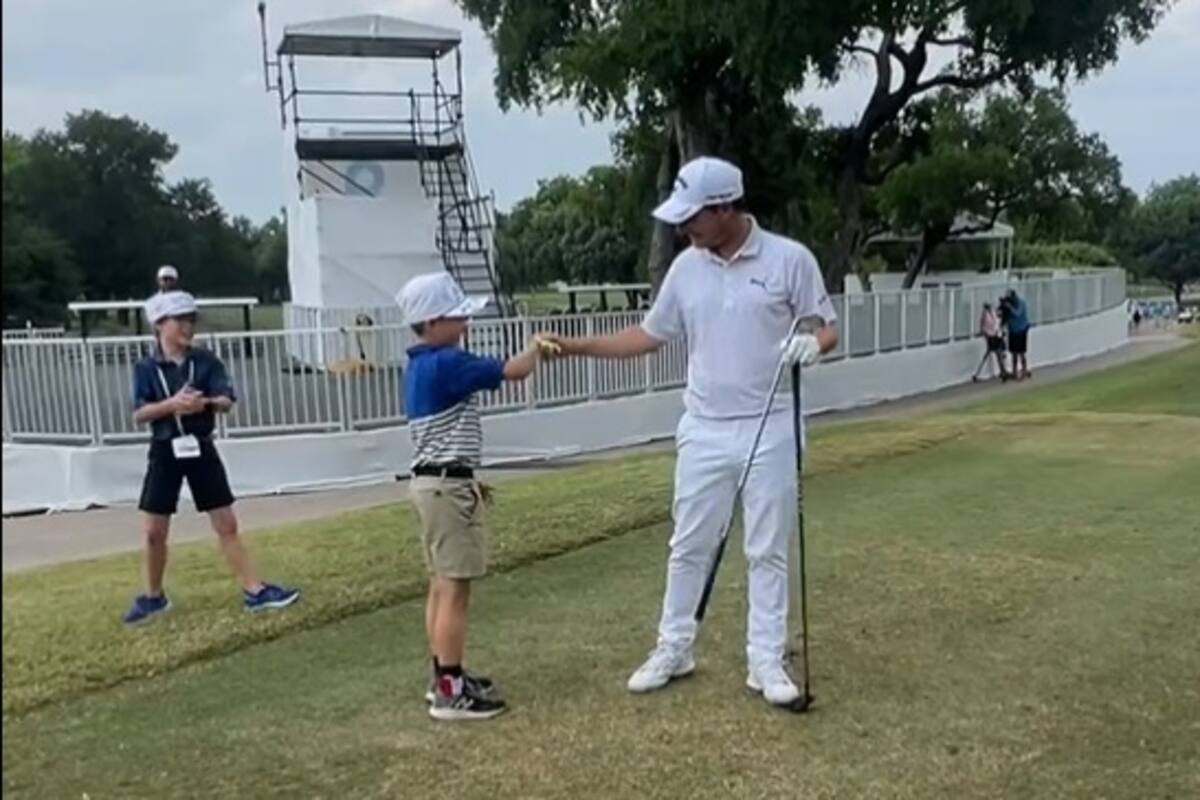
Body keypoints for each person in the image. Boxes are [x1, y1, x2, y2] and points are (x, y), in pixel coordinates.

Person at [541, 156, 839, 709]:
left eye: (692, 217)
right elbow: (648, 336)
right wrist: (577, 346)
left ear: (725, 208)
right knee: (688, 545)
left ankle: (765, 659)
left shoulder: (789, 259)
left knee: (766, 548)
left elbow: (827, 328)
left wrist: (812, 346)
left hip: (771, 423)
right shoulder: (686, 268)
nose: (683, 228)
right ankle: (674, 648)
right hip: (703, 427)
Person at [398, 271, 545, 721]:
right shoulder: (447, 362)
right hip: (446, 486)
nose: (466, 324)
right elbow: (515, 370)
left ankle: (444, 676)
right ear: (432, 322)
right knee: (455, 588)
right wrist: (537, 346)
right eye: (457, 317)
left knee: (441, 584)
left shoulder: (421, 364)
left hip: (434, 482)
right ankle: (451, 690)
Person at [123, 291, 299, 625]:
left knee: (225, 523)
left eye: (191, 320)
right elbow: (139, 413)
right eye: (180, 320)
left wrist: (203, 403)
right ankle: (153, 596)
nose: (188, 327)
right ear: (159, 324)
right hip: (165, 448)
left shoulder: (205, 361)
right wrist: (172, 405)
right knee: (154, 531)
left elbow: (227, 400)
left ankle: (255, 590)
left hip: (200, 446)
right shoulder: (146, 367)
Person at [972, 302, 1009, 382]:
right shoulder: (985, 315)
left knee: (1000, 353)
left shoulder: (992, 312)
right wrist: (985, 334)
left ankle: (1003, 370)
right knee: (998, 353)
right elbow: (984, 326)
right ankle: (1003, 371)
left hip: (996, 335)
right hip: (991, 336)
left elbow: (996, 322)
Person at [1001, 288, 1031, 380]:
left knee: (1021, 352)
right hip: (1012, 330)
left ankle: (1024, 370)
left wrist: (1009, 307)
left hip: (1021, 330)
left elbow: (1017, 313)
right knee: (1013, 352)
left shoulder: (1020, 303)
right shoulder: (1010, 304)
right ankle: (1014, 372)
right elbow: (1005, 317)